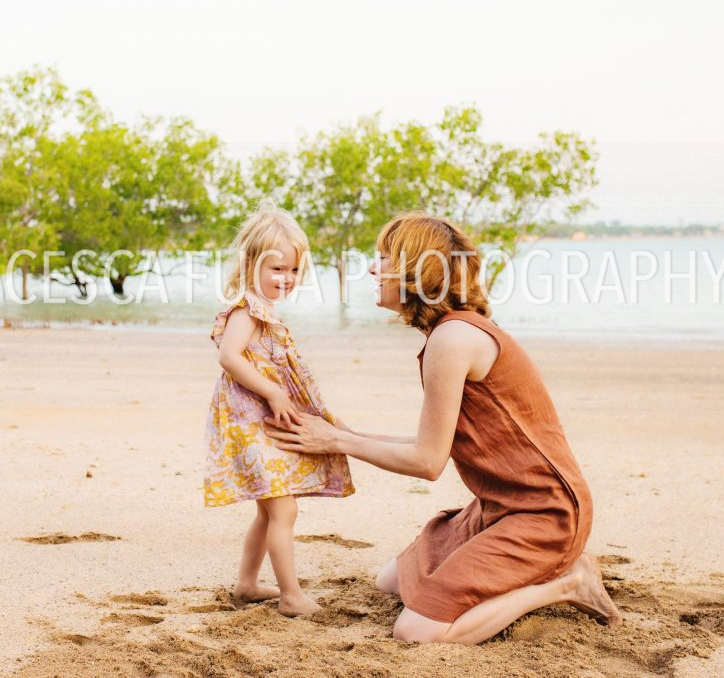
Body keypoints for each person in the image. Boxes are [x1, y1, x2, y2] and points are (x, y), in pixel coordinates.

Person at [264, 211, 621, 643]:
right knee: (391, 580)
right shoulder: (449, 333)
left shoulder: (453, 339)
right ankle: (538, 572)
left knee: (416, 631)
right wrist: (342, 435)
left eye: (384, 259)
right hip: (499, 507)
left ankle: (567, 583)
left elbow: (428, 461)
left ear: (416, 271)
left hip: (544, 516)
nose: (373, 269)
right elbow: (432, 443)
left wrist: (338, 440)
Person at [204, 202, 355, 617]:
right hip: (249, 423)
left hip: (259, 422)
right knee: (284, 508)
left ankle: (247, 583)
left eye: (294, 270)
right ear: (250, 264)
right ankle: (291, 595)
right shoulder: (247, 310)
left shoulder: (263, 310)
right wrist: (273, 391)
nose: (286, 278)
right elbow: (229, 357)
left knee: (267, 509)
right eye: (277, 269)